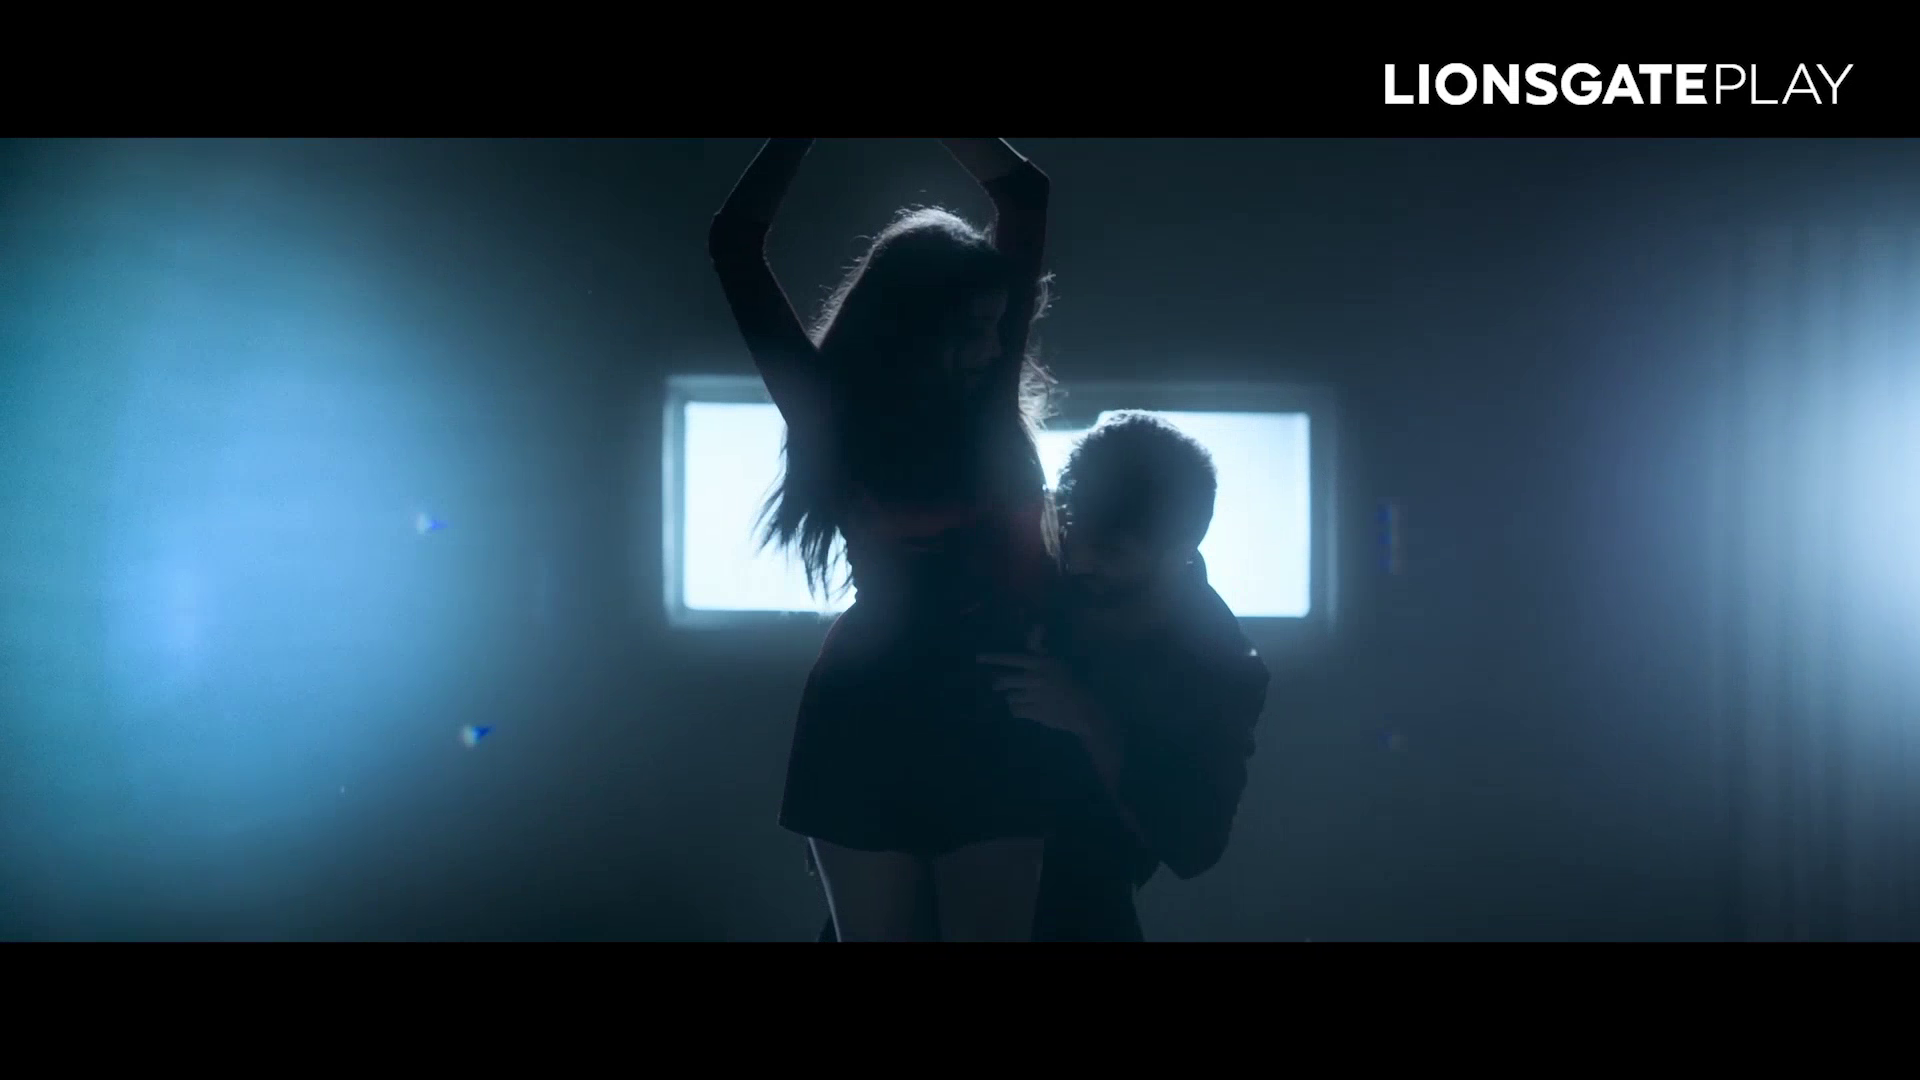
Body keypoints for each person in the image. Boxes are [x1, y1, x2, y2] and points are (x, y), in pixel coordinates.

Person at [708, 138, 1064, 941]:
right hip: (869, 715)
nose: (993, 347)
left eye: (996, 327)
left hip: (996, 716)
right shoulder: (831, 412)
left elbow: (1026, 195)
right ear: (913, 330)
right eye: (973, 331)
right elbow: (734, 243)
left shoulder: (986, 392)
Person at [976, 411, 1271, 940]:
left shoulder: (1219, 667)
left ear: (1179, 554)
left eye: (1110, 551)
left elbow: (1195, 844)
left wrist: (1091, 721)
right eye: (1071, 537)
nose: (1079, 562)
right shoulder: (1032, 566)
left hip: (1079, 901)